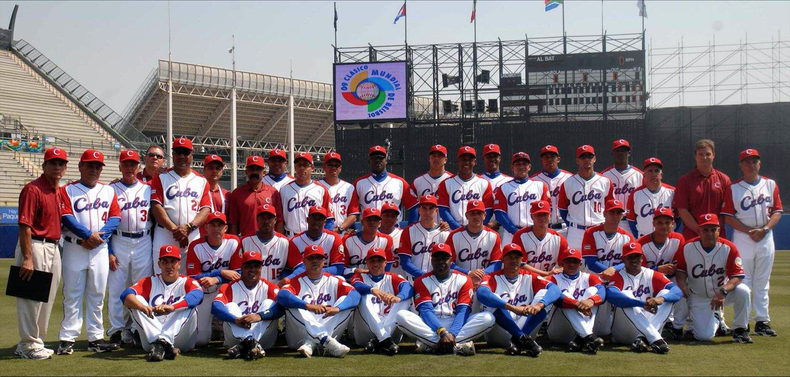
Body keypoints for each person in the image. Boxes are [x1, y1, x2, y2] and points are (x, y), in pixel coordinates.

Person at [57, 149, 121, 355]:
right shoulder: (67, 190)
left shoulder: (108, 191)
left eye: (97, 166)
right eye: (90, 165)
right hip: (74, 246)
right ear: (80, 167)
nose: (94, 169)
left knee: (97, 294)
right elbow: (66, 216)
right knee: (72, 294)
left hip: (100, 248)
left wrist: (98, 237)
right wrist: (87, 235)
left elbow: (115, 217)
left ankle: (95, 338)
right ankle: (67, 338)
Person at [721, 148, 781, 337]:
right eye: (747, 161)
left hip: (765, 236)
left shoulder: (770, 184)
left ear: (759, 163)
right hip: (743, 238)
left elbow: (777, 211)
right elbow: (728, 217)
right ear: (741, 165)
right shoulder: (733, 187)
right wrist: (750, 231)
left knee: (762, 281)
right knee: (742, 280)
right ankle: (743, 322)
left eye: (754, 160)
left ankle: (762, 321)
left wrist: (764, 230)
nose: (751, 164)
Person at [14, 147, 68, 359]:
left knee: (46, 297)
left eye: (61, 163)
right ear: (44, 165)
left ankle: (36, 340)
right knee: (31, 297)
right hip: (35, 245)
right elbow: (24, 226)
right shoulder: (33, 189)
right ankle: (27, 344)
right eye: (52, 163)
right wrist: (27, 258)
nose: (57, 167)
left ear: (65, 168)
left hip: (54, 246)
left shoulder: (58, 190)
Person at [395, 243, 495, 355]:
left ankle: (432, 346)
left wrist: (452, 333)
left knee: (488, 318)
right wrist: (442, 332)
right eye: (437, 258)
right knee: (401, 316)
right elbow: (426, 311)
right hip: (430, 326)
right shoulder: (421, 281)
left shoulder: (464, 279)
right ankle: (455, 346)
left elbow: (463, 311)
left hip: (457, 324)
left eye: (444, 258)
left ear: (451, 261)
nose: (440, 262)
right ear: (431, 260)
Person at [674, 214, 753, 343]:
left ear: (719, 231)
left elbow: (737, 276)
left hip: (722, 295)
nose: (709, 233)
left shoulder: (729, 248)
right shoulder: (687, 247)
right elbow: (681, 270)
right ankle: (717, 319)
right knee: (704, 337)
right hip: (699, 296)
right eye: (705, 230)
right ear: (699, 230)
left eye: (713, 229)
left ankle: (741, 330)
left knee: (743, 290)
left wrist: (723, 291)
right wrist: (682, 284)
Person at [477, 243, 561, 357]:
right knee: (493, 298)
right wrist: (512, 308)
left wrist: (539, 305)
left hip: (526, 328)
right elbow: (482, 294)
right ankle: (521, 338)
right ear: (502, 259)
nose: (513, 261)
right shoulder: (492, 277)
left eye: (517, 257)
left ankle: (519, 340)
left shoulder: (530, 276)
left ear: (522, 260)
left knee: (545, 295)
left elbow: (555, 289)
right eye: (510, 257)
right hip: (499, 333)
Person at [121, 245, 203, 361]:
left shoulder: (187, 282)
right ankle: (162, 344)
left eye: (173, 262)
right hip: (152, 338)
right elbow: (125, 295)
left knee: (188, 303)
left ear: (179, 264)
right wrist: (144, 307)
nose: (169, 266)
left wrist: (173, 307)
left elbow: (198, 296)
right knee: (136, 300)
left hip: (182, 339)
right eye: (165, 262)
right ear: (159, 264)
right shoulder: (150, 281)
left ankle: (163, 343)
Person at [277, 245, 361, 358]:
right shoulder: (296, 281)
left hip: (328, 336)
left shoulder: (333, 280)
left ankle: (312, 342)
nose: (315, 261)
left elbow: (355, 295)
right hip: (298, 338)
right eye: (311, 258)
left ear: (323, 261)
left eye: (318, 258)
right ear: (304, 261)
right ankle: (324, 339)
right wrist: (307, 306)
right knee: (295, 303)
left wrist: (338, 308)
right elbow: (282, 295)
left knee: (344, 302)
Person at [107, 150, 154, 347]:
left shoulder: (147, 189)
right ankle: (117, 330)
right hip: (119, 239)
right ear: (119, 167)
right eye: (125, 164)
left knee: (140, 287)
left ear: (138, 167)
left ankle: (136, 329)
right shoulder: (110, 190)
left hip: (144, 239)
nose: (129, 168)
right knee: (117, 287)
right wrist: (109, 251)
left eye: (132, 164)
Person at [606, 242, 682, 354]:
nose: (634, 260)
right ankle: (655, 339)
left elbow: (677, 292)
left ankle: (643, 339)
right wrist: (641, 304)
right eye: (630, 257)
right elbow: (613, 296)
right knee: (626, 296)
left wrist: (660, 299)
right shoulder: (617, 276)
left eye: (636, 256)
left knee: (666, 294)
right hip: (623, 330)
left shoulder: (651, 274)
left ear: (642, 258)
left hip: (649, 324)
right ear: (624, 259)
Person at [150, 137, 211, 274]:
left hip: (192, 233)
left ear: (192, 155)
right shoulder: (161, 178)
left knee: (191, 276)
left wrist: (189, 227)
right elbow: (156, 207)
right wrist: (175, 231)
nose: (182, 156)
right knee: (162, 275)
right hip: (165, 233)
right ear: (173, 154)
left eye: (186, 152)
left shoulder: (201, 181)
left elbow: (205, 209)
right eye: (178, 152)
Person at [211, 250, 284, 359]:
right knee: (230, 306)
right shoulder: (229, 287)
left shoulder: (269, 287)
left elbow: (281, 307)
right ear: (241, 268)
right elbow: (216, 307)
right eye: (248, 266)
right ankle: (251, 344)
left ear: (261, 268)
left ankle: (244, 345)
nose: (253, 269)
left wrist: (259, 316)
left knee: (269, 303)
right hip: (235, 338)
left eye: (256, 266)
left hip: (265, 339)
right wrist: (235, 319)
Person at [185, 211, 243, 347]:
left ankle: (226, 330)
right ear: (206, 227)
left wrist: (217, 279)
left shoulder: (234, 241)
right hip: (206, 292)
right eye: (213, 225)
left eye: (220, 225)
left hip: (227, 291)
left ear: (226, 228)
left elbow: (238, 273)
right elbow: (192, 278)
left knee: (233, 340)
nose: (216, 229)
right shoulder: (196, 245)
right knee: (200, 340)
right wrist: (220, 272)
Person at [580, 199, 635, 337]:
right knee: (602, 331)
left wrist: (614, 270)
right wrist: (608, 271)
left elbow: (629, 261)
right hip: (595, 280)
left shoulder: (627, 237)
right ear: (604, 214)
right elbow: (591, 261)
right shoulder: (591, 233)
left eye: (619, 213)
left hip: (617, 280)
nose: (615, 216)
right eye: (612, 213)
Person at [349, 248, 414, 355]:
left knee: (404, 300)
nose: (376, 264)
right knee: (362, 296)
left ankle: (380, 340)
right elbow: (357, 285)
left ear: (385, 263)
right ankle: (384, 340)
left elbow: (408, 287)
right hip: (366, 330)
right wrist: (372, 290)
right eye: (372, 261)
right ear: (367, 263)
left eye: (379, 261)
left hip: (390, 329)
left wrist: (398, 297)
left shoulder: (392, 277)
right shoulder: (360, 276)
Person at [637, 208, 688, 340]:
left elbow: (682, 264)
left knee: (682, 287)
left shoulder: (678, 238)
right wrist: (657, 270)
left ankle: (677, 327)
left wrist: (674, 269)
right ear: (653, 224)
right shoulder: (641, 243)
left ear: (673, 224)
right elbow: (638, 272)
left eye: (667, 222)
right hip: (649, 281)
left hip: (672, 279)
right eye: (660, 222)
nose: (664, 226)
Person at [545, 248, 606, 354]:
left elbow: (602, 292)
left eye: (575, 261)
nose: (571, 264)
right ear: (562, 263)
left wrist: (591, 301)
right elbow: (558, 300)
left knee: (592, 292)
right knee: (565, 296)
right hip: (558, 329)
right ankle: (588, 337)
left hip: (582, 326)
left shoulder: (589, 277)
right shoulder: (553, 278)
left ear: (580, 263)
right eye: (568, 261)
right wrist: (576, 304)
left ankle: (584, 338)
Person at [557, 145, 614, 249]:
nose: (587, 160)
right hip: (576, 232)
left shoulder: (605, 182)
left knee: (601, 262)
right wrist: (573, 225)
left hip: (599, 229)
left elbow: (610, 208)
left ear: (594, 159)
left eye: (589, 156)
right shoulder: (568, 183)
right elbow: (562, 209)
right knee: (575, 263)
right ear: (577, 160)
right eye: (583, 157)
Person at [674, 139, 731, 241]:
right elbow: (682, 210)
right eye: (700, 154)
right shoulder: (685, 181)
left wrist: (714, 230)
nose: (704, 157)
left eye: (708, 154)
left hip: (718, 236)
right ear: (695, 156)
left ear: (713, 155)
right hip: (693, 235)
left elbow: (726, 211)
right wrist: (700, 230)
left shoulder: (724, 179)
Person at [350, 145, 417, 222]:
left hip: (394, 232)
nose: (378, 160)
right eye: (374, 158)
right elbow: (352, 211)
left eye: (381, 158)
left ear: (386, 160)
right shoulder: (359, 183)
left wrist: (411, 228)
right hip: (368, 231)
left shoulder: (399, 182)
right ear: (369, 161)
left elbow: (413, 206)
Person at [494, 152, 549, 244]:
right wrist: (515, 231)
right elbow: (500, 214)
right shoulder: (504, 187)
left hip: (534, 232)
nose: (521, 166)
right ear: (512, 167)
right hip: (511, 234)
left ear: (529, 167)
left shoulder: (540, 186)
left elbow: (546, 212)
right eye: (517, 164)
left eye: (524, 164)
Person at [281, 206, 345, 283]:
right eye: (314, 218)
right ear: (307, 220)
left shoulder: (334, 238)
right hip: (304, 279)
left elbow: (338, 268)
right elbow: (299, 268)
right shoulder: (295, 241)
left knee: (341, 279)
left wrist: (317, 272)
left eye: (320, 219)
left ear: (325, 222)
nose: (316, 222)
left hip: (326, 278)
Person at [240, 204, 302, 283]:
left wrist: (288, 278)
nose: (266, 221)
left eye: (269, 218)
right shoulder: (244, 241)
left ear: (275, 220)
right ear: (257, 220)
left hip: (277, 288)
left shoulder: (286, 242)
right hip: (251, 289)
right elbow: (237, 269)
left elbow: (301, 267)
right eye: (262, 218)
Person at [437, 146, 494, 230]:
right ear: (458, 161)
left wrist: (478, 227)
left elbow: (488, 210)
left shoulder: (484, 183)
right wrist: (458, 228)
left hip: (478, 231)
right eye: (463, 159)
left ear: (474, 162)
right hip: (453, 231)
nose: (466, 162)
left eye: (470, 160)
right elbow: (443, 209)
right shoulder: (446, 183)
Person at [446, 200, 503, 284]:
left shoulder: (494, 236)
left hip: (484, 279)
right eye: (472, 213)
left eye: (479, 213)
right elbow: (448, 262)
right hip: (460, 279)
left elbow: (497, 263)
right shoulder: (454, 236)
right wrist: (468, 273)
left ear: (484, 215)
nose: (476, 216)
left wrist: (481, 274)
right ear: (466, 216)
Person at [279, 152, 334, 237]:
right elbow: (280, 219)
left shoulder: (321, 190)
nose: (302, 168)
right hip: (291, 237)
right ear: (295, 167)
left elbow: (329, 219)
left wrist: (324, 238)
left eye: (305, 165)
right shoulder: (284, 190)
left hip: (315, 237)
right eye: (299, 165)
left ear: (312, 167)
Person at [227, 155, 282, 238]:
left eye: (258, 169)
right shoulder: (237, 193)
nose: (254, 172)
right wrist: (234, 243)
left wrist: (279, 240)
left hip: (269, 241)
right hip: (246, 240)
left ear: (264, 172)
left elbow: (279, 220)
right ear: (246, 172)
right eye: (251, 169)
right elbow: (233, 222)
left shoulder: (273, 192)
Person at [398, 195, 450, 280]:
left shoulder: (444, 233)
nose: (427, 212)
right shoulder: (409, 231)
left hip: (437, 281)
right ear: (419, 210)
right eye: (424, 208)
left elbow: (449, 261)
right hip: (413, 280)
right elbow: (405, 262)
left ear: (436, 211)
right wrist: (424, 276)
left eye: (431, 208)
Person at [512, 200, 569, 277]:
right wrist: (547, 274)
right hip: (525, 279)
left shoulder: (559, 239)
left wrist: (559, 270)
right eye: (538, 214)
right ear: (532, 217)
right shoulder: (520, 236)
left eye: (545, 214)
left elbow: (567, 264)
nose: (542, 218)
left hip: (549, 280)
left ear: (550, 216)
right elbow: (520, 264)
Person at [602, 139, 643, 235]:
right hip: (609, 221)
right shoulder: (604, 176)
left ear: (629, 153)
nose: (621, 153)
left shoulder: (640, 175)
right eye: (618, 150)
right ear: (613, 153)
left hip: (632, 221)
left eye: (624, 150)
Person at [627, 157, 676, 238]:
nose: (653, 174)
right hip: (644, 238)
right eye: (650, 171)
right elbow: (631, 220)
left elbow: (678, 218)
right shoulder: (635, 194)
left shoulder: (672, 192)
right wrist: (639, 237)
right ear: (644, 175)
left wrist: (674, 235)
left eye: (656, 171)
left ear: (661, 175)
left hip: (669, 239)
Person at [530, 145, 573, 237]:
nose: (549, 159)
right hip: (543, 228)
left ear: (558, 159)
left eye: (552, 157)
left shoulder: (570, 178)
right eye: (546, 157)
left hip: (566, 227)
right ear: (541, 160)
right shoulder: (533, 181)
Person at [342, 208, 394, 278]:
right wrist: (354, 270)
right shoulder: (348, 240)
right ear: (362, 222)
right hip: (350, 281)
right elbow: (341, 269)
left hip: (375, 282)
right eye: (369, 219)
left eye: (375, 220)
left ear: (379, 223)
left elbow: (387, 269)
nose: (372, 222)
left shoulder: (386, 240)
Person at [410, 144, 453, 224]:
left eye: (440, 156)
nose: (436, 158)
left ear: (445, 160)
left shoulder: (452, 180)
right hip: (423, 229)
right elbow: (413, 208)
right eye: (433, 156)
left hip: (446, 228)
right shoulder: (418, 181)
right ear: (429, 158)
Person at [319, 152, 359, 233]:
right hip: (320, 232)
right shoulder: (316, 187)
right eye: (330, 165)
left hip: (342, 232)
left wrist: (339, 229)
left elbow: (353, 215)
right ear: (324, 167)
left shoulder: (349, 187)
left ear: (340, 168)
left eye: (336, 165)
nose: (333, 168)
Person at [199, 154, 230, 238]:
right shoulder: (197, 192)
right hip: (201, 239)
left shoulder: (227, 194)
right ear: (204, 170)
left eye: (217, 168)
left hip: (222, 240)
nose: (214, 171)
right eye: (210, 168)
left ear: (222, 171)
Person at [379, 202, 406, 277]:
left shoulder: (404, 234)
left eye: (393, 216)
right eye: (386, 215)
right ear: (380, 216)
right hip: (377, 280)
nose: (390, 219)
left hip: (399, 278)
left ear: (397, 218)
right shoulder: (373, 235)